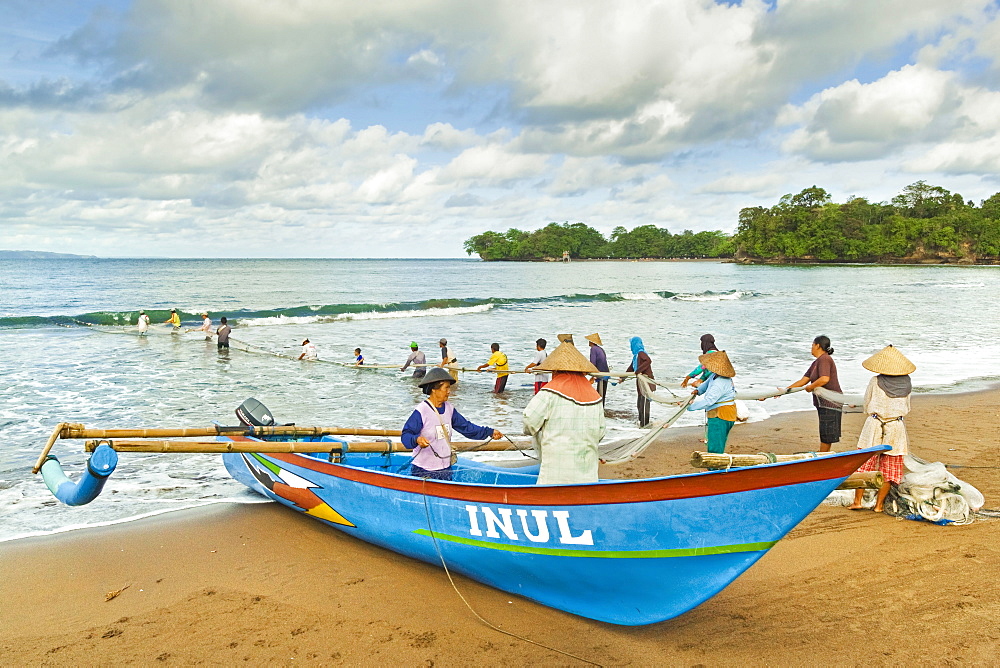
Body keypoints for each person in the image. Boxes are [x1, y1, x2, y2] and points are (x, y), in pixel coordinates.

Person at [522, 342, 606, 485]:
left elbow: (529, 424)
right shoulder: (596, 397)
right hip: (588, 478)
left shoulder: (548, 393)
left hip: (554, 478)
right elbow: (600, 433)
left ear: (555, 371)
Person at [401, 367, 502, 480]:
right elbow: (406, 436)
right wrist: (417, 440)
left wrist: (489, 432)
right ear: (434, 389)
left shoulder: (449, 409)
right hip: (423, 470)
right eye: (446, 388)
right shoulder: (422, 411)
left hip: (445, 468)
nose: (449, 391)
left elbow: (467, 428)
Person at [849, 345, 916, 512]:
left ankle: (858, 501)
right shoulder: (907, 384)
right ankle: (878, 506)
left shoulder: (875, 381)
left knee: (864, 463)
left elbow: (867, 402)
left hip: (874, 425)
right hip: (896, 427)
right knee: (889, 469)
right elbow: (907, 406)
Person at [779, 335, 842, 452]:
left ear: (818, 345)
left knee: (827, 434)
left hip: (830, 402)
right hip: (823, 402)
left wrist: (811, 387)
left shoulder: (825, 359)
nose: (811, 347)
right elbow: (802, 381)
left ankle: (823, 458)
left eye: (812, 345)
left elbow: (824, 379)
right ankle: (823, 456)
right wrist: (783, 391)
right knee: (824, 432)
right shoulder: (816, 363)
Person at [686, 351, 738, 454]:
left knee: (716, 446)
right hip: (723, 412)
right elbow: (706, 384)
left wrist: (690, 406)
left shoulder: (720, 382)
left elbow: (709, 401)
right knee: (716, 441)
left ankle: (715, 468)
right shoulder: (715, 376)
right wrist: (698, 391)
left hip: (721, 415)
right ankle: (716, 467)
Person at [626, 336, 653, 427]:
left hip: (646, 382)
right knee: (640, 404)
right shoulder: (636, 356)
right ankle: (642, 424)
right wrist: (621, 378)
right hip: (641, 382)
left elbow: (648, 361)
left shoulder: (641, 353)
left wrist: (638, 371)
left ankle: (645, 424)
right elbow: (630, 369)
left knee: (644, 404)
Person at [585, 333, 609, 403]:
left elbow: (593, 363)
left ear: (592, 342)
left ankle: (600, 409)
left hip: (601, 373)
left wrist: (589, 373)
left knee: (600, 393)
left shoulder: (593, 349)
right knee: (603, 392)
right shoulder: (600, 349)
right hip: (606, 372)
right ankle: (602, 407)